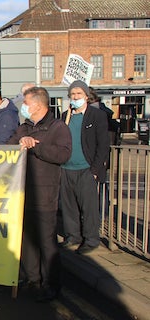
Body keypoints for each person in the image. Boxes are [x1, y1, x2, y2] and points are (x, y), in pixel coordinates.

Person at [8, 86, 72, 302]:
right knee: (27, 240)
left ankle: (51, 284)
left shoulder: (57, 127)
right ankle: (32, 278)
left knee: (46, 241)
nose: (23, 107)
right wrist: (19, 142)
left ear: (37, 105)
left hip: (45, 194)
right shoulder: (24, 127)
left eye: (26, 103)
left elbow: (62, 154)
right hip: (23, 192)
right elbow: (8, 146)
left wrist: (37, 146)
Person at [59, 80, 110, 255]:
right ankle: (73, 236)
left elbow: (103, 145)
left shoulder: (97, 116)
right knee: (69, 206)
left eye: (78, 94)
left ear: (86, 96)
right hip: (66, 168)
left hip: (86, 168)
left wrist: (95, 170)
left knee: (88, 207)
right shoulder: (65, 116)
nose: (75, 97)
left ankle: (91, 239)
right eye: (72, 94)